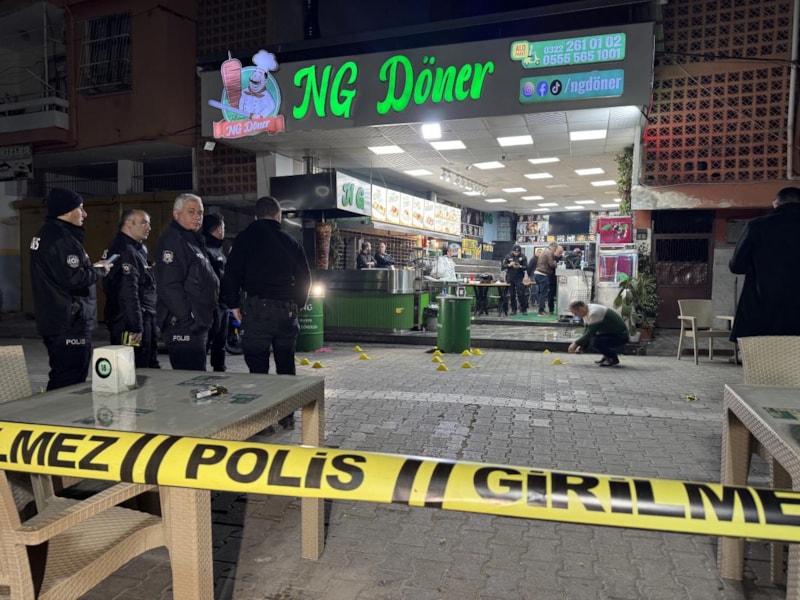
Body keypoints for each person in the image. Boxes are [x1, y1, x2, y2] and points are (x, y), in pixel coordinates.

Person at [221, 195, 311, 430]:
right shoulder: (291, 241)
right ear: (278, 216)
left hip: (257, 311)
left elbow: (231, 274)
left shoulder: (244, 239)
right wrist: (297, 305)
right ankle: (287, 416)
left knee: (258, 368)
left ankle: (263, 421)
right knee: (286, 365)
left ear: (256, 216)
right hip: (287, 313)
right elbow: (305, 279)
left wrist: (233, 306)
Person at [30, 188, 111, 390]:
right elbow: (74, 279)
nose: (85, 214)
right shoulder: (62, 239)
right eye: (80, 208)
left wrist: (91, 268)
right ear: (66, 211)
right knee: (69, 382)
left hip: (57, 319)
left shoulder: (47, 234)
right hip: (69, 322)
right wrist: (99, 270)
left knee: (63, 376)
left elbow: (64, 273)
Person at [155, 193, 219, 371]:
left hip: (197, 324)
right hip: (183, 326)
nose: (197, 217)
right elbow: (169, 286)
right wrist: (189, 319)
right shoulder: (173, 240)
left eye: (200, 213)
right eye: (191, 212)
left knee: (197, 377)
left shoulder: (192, 240)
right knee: (189, 380)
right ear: (176, 214)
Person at [729, 186, 800, 341]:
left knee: (763, 355)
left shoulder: (757, 225)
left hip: (762, 310)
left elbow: (737, 266)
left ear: (775, 204)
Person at [102, 209, 160, 369]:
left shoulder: (137, 249)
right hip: (129, 322)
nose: (149, 228)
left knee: (149, 365)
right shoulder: (124, 250)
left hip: (143, 317)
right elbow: (127, 292)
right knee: (133, 369)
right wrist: (136, 326)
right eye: (144, 223)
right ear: (128, 224)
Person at [202, 213, 229, 372]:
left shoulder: (218, 250)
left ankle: (219, 369)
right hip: (212, 305)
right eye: (223, 227)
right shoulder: (205, 250)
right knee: (207, 340)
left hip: (222, 304)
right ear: (218, 229)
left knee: (220, 341)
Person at [567, 300, 629, 367]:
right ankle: (607, 357)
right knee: (594, 339)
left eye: (575, 313)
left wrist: (575, 344)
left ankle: (612, 358)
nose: (575, 315)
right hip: (611, 334)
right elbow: (587, 331)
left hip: (621, 336)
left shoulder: (594, 313)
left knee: (596, 342)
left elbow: (590, 332)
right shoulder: (587, 311)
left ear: (581, 309)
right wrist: (582, 346)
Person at [532, 242, 560, 315]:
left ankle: (541, 309)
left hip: (537, 273)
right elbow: (551, 264)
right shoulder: (549, 252)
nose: (555, 250)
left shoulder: (544, 251)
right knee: (543, 293)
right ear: (553, 247)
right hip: (543, 274)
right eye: (556, 249)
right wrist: (557, 264)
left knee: (541, 293)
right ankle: (541, 310)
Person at [501, 244, 528, 315]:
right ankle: (513, 309)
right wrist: (509, 265)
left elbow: (526, 267)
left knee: (521, 293)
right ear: (512, 251)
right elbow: (503, 266)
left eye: (518, 252)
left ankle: (523, 309)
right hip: (510, 276)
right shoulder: (508, 256)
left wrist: (520, 266)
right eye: (515, 252)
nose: (516, 253)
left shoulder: (523, 257)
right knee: (512, 294)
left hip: (519, 276)